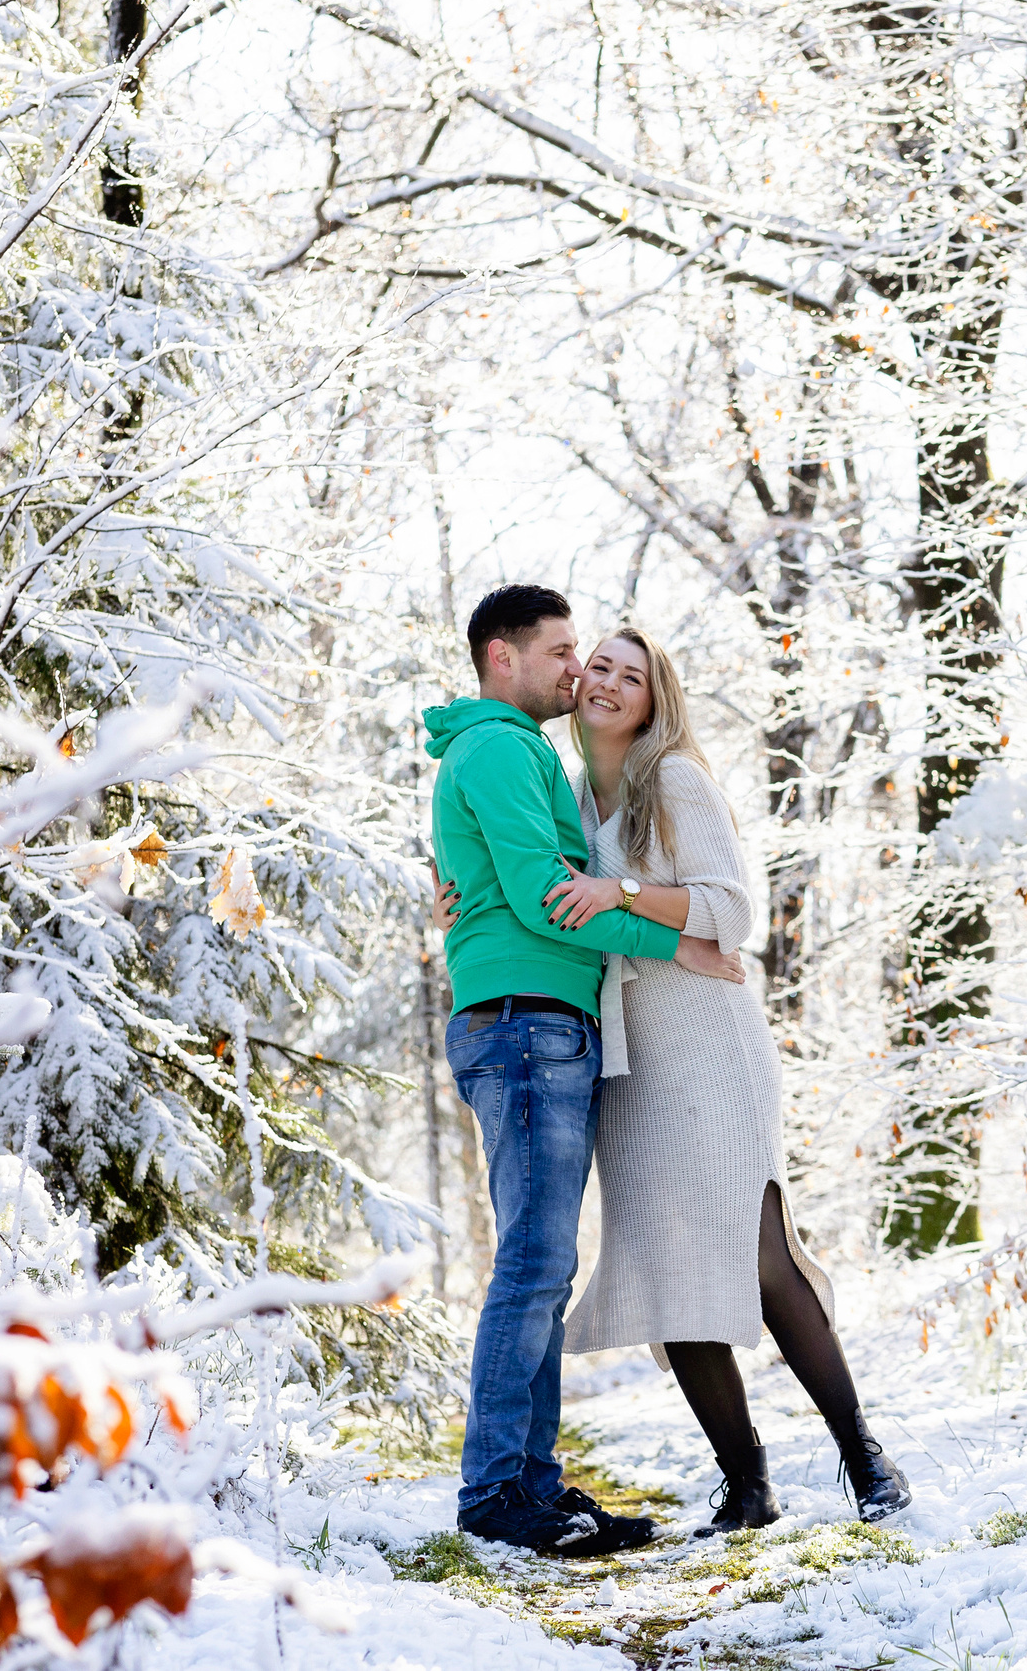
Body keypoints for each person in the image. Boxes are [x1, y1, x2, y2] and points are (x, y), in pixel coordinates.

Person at [436, 624, 912, 1535]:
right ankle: (747, 1483)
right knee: (666, 1268)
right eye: (597, 667)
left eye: (632, 674)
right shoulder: (570, 794)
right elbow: (521, 875)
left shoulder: (676, 781)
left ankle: (864, 1457)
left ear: (657, 698)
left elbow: (731, 910)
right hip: (624, 1059)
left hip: (705, 1041)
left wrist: (620, 893)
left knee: (760, 1253)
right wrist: (451, 885)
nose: (606, 683)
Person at [426, 585, 746, 1557]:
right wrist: (673, 942)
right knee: (533, 1263)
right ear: (503, 657)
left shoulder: (519, 755)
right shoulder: (500, 747)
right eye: (561, 651)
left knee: (545, 1265)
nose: (576, 670)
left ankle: (532, 1482)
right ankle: (495, 1490)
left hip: (539, 1020)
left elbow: (508, 884)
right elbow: (543, 899)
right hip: (525, 1022)